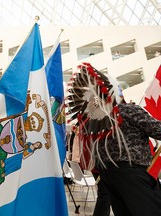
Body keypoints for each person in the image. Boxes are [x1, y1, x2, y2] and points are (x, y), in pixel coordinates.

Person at [65, 62, 161, 216]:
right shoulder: (129, 110)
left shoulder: (96, 119)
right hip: (132, 174)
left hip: (109, 174)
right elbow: (158, 131)